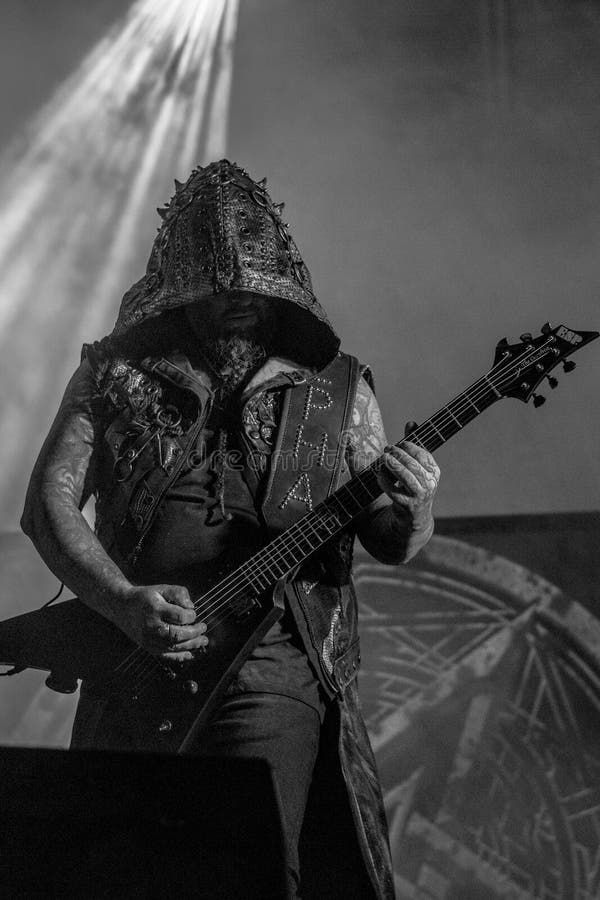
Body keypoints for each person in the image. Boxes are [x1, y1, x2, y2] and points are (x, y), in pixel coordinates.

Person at [21, 160, 440, 899]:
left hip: (274, 663)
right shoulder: (113, 374)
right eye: (220, 292)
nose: (240, 303)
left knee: (247, 857)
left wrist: (419, 504)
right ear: (181, 292)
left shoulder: (338, 386)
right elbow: (48, 505)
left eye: (253, 290)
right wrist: (121, 601)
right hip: (136, 657)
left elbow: (392, 539)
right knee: (119, 868)